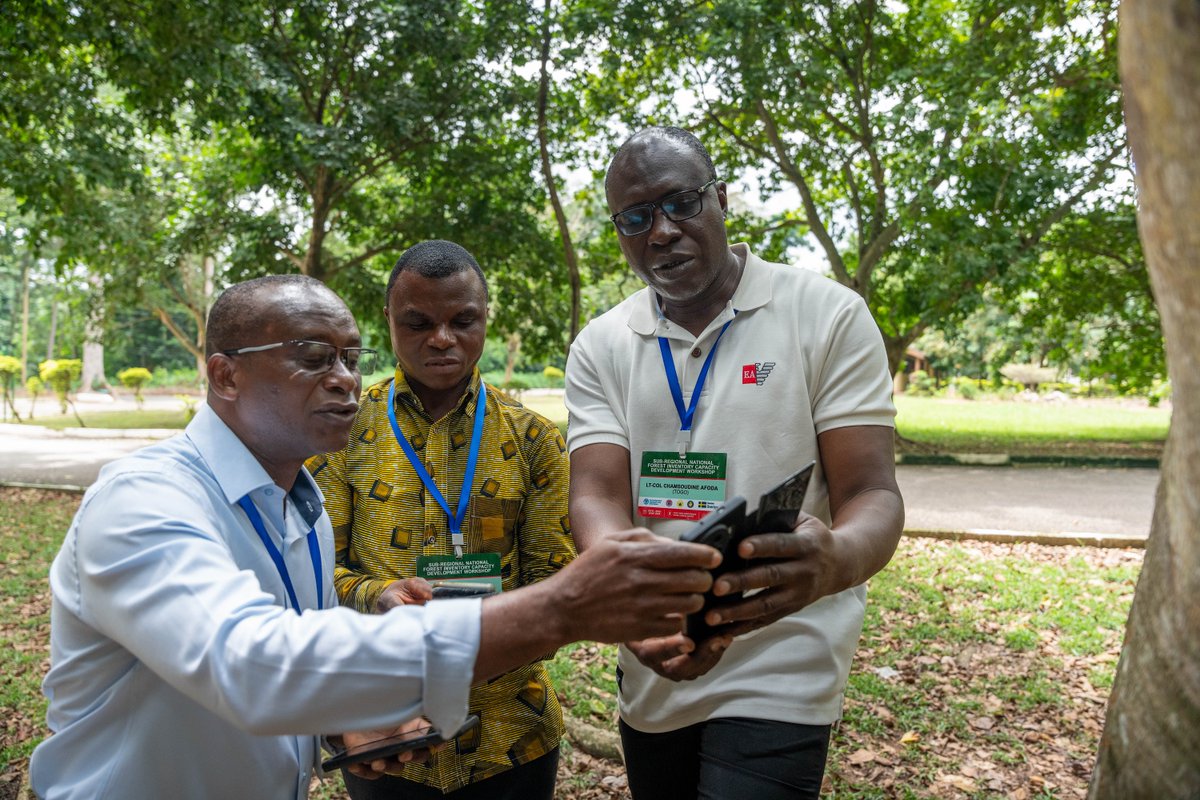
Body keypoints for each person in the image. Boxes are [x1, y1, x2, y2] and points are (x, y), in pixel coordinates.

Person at [29, 274, 719, 800]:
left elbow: (290, 667)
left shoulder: (298, 508)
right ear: (225, 372)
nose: (344, 380)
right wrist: (562, 607)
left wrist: (339, 724)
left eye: (350, 357)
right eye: (312, 356)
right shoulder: (145, 498)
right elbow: (247, 664)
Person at [565, 127, 905, 800]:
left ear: (721, 199)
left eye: (681, 204)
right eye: (635, 219)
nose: (660, 232)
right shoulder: (601, 345)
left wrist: (836, 558)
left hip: (785, 644)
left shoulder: (825, 315)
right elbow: (596, 496)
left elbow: (873, 492)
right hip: (660, 647)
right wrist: (632, 599)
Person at [309, 240, 573, 798]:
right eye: (419, 322)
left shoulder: (534, 441)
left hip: (512, 737)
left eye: (463, 320)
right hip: (387, 735)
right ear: (389, 321)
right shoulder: (342, 435)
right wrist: (376, 594)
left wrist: (479, 643)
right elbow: (310, 572)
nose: (443, 338)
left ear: (485, 318)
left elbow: (559, 583)